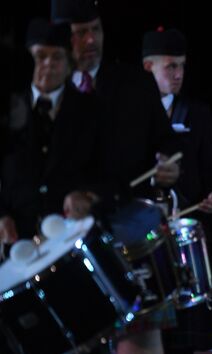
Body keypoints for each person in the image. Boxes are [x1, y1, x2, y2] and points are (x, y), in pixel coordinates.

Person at [50, 1, 182, 353]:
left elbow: (166, 142)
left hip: (130, 239)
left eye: (96, 29)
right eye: (80, 34)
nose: (91, 40)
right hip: (60, 247)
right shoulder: (43, 95)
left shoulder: (136, 85)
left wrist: (170, 163)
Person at [142, 27, 212, 354]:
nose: (178, 75)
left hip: (184, 224)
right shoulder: (129, 113)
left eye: (182, 66)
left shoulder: (196, 111)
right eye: (170, 67)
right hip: (143, 230)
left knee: (188, 335)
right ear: (149, 67)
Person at [0, 18, 101, 247]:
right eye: (40, 57)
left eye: (57, 57)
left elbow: (110, 172)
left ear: (69, 65)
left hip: (76, 239)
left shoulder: (92, 111)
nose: (47, 64)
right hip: (18, 246)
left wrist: (88, 195)